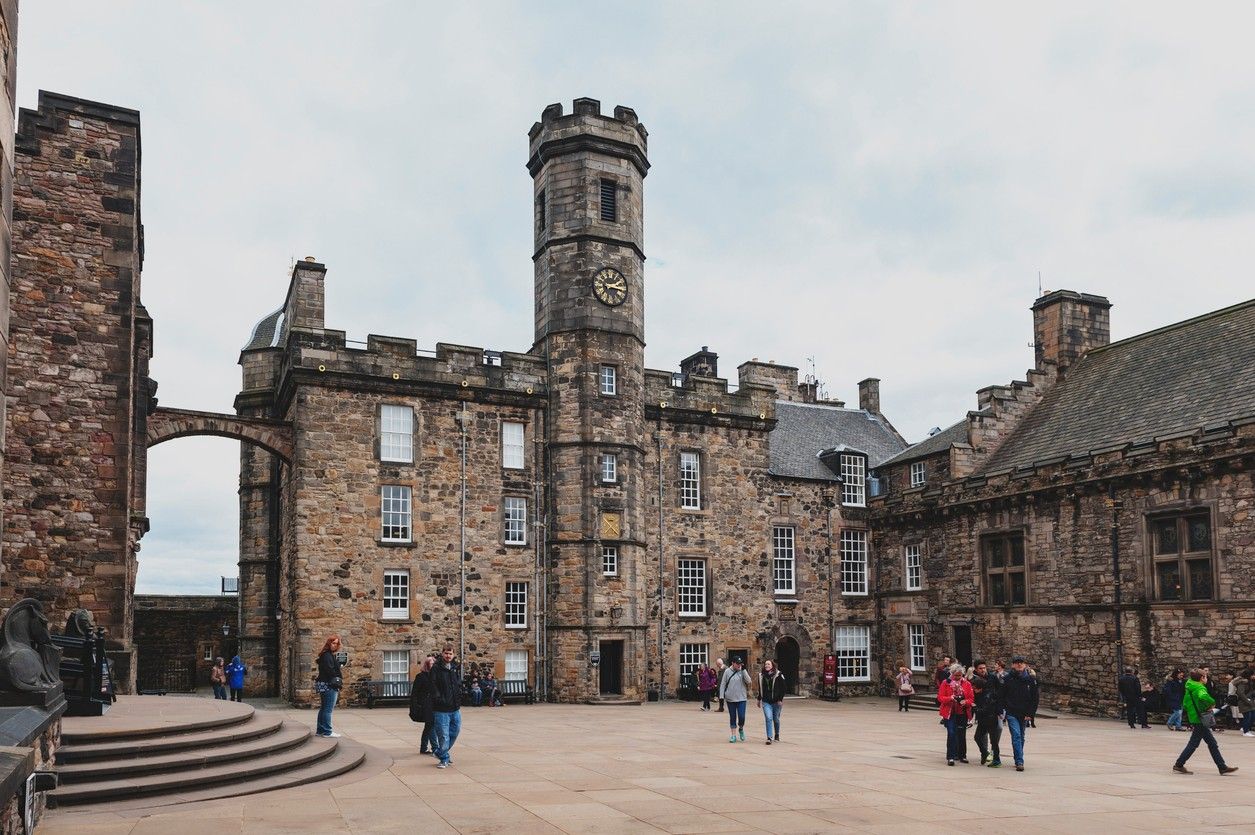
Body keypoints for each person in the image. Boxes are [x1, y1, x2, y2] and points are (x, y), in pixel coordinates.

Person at [1174, 668, 1238, 775]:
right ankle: (1179, 764)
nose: (1206, 678)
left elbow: (1185, 703)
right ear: (1202, 678)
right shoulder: (1200, 688)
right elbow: (1203, 696)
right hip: (1201, 718)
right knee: (1195, 743)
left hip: (1195, 717)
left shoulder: (1189, 686)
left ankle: (1222, 766)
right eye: (1205, 676)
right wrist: (1211, 703)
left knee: (1211, 743)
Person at [1002, 655, 1039, 772]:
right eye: (1017, 663)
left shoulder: (1030, 680)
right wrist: (1004, 709)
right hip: (1011, 711)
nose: (1019, 664)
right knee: (1016, 735)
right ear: (1013, 665)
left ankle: (1018, 756)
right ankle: (1019, 761)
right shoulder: (1008, 678)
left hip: (1024, 712)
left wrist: (1030, 713)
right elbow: (1002, 695)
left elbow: (1035, 698)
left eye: (1021, 663)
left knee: (1021, 736)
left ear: (1025, 664)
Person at [430, 644, 463, 768]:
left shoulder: (455, 668)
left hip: (455, 707)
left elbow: (458, 683)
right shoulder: (436, 668)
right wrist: (439, 699)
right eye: (446, 653)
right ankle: (444, 758)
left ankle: (439, 752)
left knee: (455, 731)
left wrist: (459, 695)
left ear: (453, 655)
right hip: (442, 709)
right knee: (443, 736)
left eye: (450, 653)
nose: (448, 656)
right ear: (442, 654)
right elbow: (433, 686)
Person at [937, 663, 973, 766]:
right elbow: (940, 698)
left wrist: (965, 702)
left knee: (962, 734)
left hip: (962, 712)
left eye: (959, 675)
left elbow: (971, 698)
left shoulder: (967, 684)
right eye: (955, 675)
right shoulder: (945, 683)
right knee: (951, 733)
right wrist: (950, 698)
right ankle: (951, 757)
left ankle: (962, 755)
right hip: (950, 712)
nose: (957, 677)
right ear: (952, 674)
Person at [314, 636, 343, 737]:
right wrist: (337, 679)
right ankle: (327, 731)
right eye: (333, 643)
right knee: (328, 709)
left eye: (337, 643)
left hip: (324, 684)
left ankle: (320, 730)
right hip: (329, 685)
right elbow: (330, 670)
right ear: (329, 643)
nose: (335, 645)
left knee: (323, 708)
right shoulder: (327, 655)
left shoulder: (327, 654)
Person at [718, 657, 752, 743]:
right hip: (730, 698)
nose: (739, 665)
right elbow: (723, 684)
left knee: (741, 716)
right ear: (733, 663)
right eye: (737, 663)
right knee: (732, 717)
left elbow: (749, 681)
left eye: (740, 663)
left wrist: (744, 671)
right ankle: (733, 735)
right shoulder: (727, 671)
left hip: (741, 698)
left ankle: (741, 728)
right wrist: (721, 696)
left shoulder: (742, 671)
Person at [972, 673, 1002, 768]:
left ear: (980, 687)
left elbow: (985, 710)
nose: (974, 690)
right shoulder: (981, 694)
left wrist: (975, 708)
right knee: (977, 737)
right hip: (983, 721)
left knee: (993, 741)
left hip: (990, 720)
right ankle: (985, 753)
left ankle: (997, 760)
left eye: (975, 688)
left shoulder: (988, 695)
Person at [409, 654, 436, 755]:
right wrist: (415, 705)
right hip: (425, 705)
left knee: (429, 726)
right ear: (427, 665)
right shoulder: (420, 676)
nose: (433, 665)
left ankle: (424, 748)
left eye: (434, 663)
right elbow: (415, 693)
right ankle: (433, 747)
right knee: (430, 725)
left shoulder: (435, 676)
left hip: (434, 704)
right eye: (431, 663)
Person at [757, 659, 786, 745]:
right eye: (766, 664)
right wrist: (759, 699)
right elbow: (760, 688)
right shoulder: (761, 675)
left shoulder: (779, 674)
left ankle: (777, 734)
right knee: (768, 718)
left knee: (776, 719)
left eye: (768, 664)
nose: (767, 666)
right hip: (766, 701)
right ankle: (769, 737)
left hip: (776, 701)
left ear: (772, 665)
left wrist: (780, 699)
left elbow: (784, 688)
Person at [1234, 668, 1255, 736]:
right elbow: (1240, 693)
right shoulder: (1243, 682)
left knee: (1252, 716)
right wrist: (1247, 700)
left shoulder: (1250, 682)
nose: (1253, 676)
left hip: (1249, 702)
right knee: (1247, 716)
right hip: (1243, 702)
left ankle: (1246, 728)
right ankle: (1246, 731)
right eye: (1252, 675)